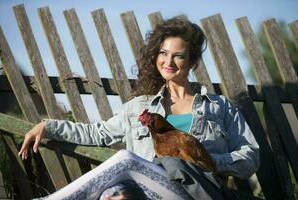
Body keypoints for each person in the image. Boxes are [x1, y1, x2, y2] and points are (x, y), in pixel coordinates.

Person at [18, 16, 259, 200]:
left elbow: (250, 156)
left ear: (193, 61)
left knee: (124, 159)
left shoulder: (219, 107)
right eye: (163, 53)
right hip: (149, 191)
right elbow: (97, 133)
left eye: (179, 56)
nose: (168, 61)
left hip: (197, 192)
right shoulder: (138, 108)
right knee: (113, 194)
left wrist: (208, 161)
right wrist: (48, 126)